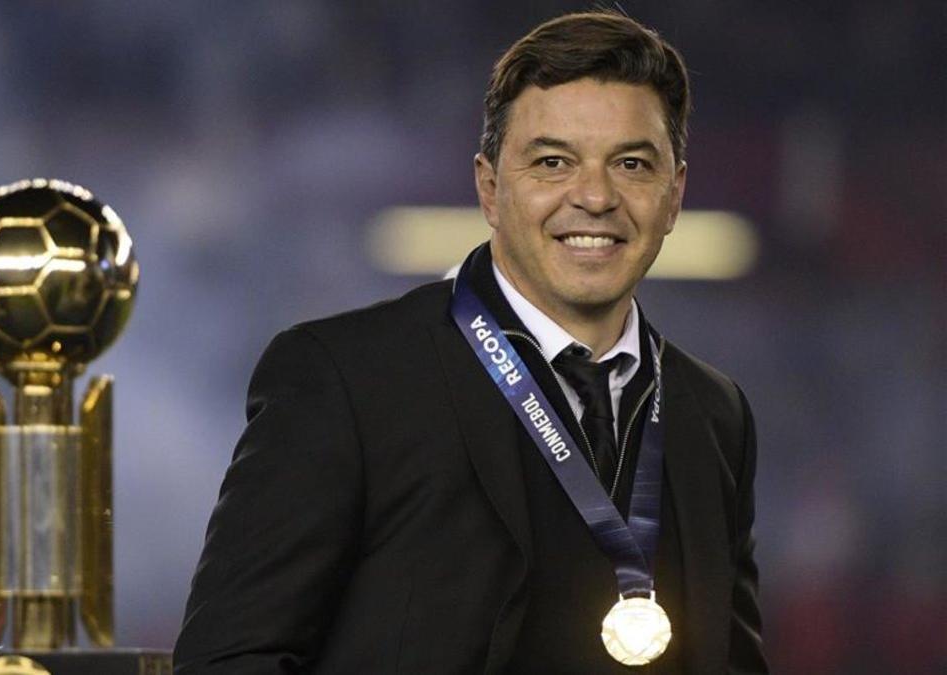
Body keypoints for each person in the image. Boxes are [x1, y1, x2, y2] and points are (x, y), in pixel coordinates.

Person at [174, 10, 767, 674]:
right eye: (552, 162)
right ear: (489, 187)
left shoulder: (714, 414)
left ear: (674, 193)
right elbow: (229, 661)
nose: (595, 195)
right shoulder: (345, 380)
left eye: (631, 163)